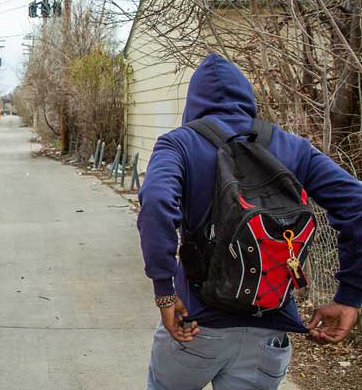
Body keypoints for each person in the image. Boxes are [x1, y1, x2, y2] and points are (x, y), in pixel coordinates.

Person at [138, 53, 362, 390]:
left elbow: (156, 201)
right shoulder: (292, 148)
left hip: (195, 327)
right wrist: (349, 295)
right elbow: (357, 205)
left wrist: (164, 293)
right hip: (267, 334)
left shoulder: (179, 145)